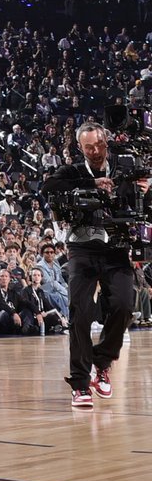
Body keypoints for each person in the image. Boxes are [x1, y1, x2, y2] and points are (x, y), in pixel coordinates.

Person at [43, 123, 150, 410]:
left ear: (106, 142)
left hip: (117, 249)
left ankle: (101, 362)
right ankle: (80, 383)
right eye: (88, 147)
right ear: (80, 148)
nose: (94, 151)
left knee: (125, 306)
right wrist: (92, 185)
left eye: (98, 145)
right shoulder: (73, 172)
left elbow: (142, 208)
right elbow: (49, 186)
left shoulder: (125, 171)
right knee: (80, 311)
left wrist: (146, 190)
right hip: (82, 248)